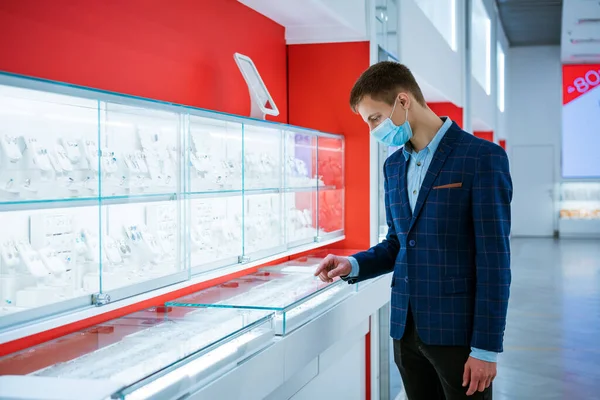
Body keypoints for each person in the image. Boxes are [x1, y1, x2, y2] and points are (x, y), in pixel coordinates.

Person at [314, 61, 512, 400]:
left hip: (459, 336)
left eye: (375, 118)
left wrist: (486, 348)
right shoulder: (393, 166)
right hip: (405, 334)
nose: (373, 130)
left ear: (403, 101)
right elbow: (397, 243)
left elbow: (494, 262)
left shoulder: (481, 158)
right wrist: (354, 265)